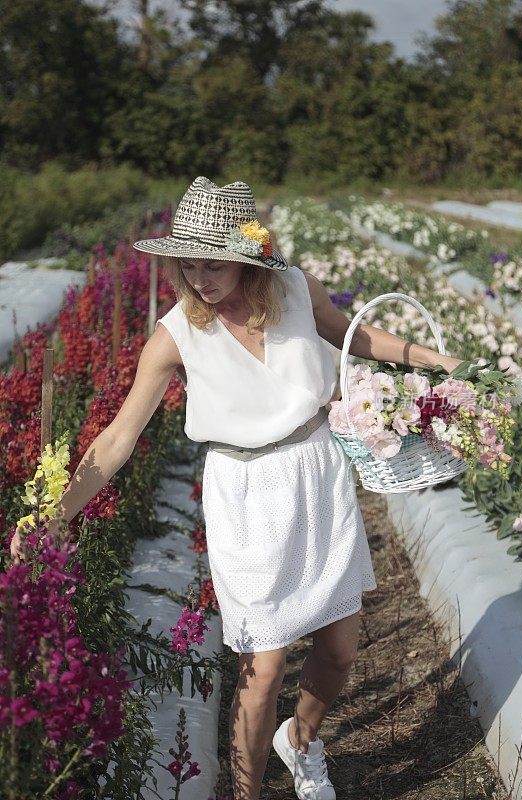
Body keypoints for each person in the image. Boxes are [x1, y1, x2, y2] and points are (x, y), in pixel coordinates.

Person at [10, 176, 464, 800]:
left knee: (338, 650)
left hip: (316, 471)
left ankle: (301, 740)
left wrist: (434, 362)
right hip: (245, 493)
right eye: (187, 265)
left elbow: (350, 335)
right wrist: (55, 516)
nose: (200, 279)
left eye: (212, 263)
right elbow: (115, 440)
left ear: (248, 258)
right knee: (264, 665)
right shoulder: (175, 335)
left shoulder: (296, 289)